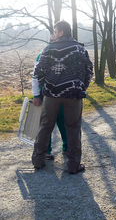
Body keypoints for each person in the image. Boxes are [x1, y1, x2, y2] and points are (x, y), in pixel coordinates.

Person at [32, 21, 93, 174]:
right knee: (73, 128)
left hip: (51, 95)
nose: (53, 33)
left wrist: (46, 86)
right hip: (74, 94)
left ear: (61, 33)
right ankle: (73, 165)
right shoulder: (80, 49)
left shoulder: (48, 49)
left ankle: (38, 160)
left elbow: (38, 72)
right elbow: (89, 70)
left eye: (55, 30)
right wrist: (81, 86)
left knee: (45, 126)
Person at [32, 52, 68, 160]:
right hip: (46, 94)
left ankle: (67, 148)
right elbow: (35, 76)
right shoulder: (43, 54)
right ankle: (46, 151)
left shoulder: (68, 53)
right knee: (46, 124)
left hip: (65, 93)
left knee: (64, 122)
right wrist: (36, 95)